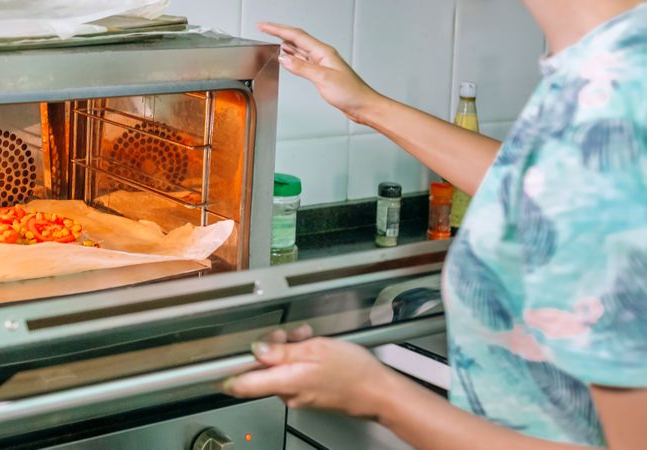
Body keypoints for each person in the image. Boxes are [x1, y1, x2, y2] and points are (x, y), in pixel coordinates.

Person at [222, 2, 647, 449]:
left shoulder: (618, 101)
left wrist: (377, 395)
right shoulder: (604, 64)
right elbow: (552, 189)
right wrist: (366, 106)